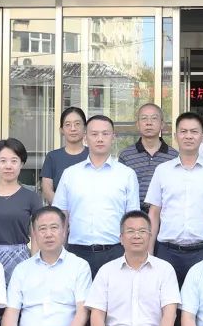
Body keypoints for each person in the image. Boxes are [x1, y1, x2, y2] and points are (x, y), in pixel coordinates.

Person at [52, 115, 140, 278]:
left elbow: (133, 219)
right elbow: (60, 216)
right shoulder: (70, 174)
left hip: (115, 252)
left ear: (113, 137)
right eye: (94, 134)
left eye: (105, 134)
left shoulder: (127, 174)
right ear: (85, 138)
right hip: (76, 252)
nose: (100, 139)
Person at [147, 111, 203, 285]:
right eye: (183, 131)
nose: (189, 136)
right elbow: (154, 213)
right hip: (167, 251)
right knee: (166, 300)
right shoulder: (162, 170)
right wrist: (149, 252)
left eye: (194, 131)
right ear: (175, 136)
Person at [0, 138, 42, 283]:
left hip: (21, 259)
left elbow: (36, 235)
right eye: (3, 161)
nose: (8, 166)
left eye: (14, 161)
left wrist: (34, 264)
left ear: (21, 164)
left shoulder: (32, 198)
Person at [117, 103, 179, 212]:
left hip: (165, 214)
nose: (149, 123)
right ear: (137, 124)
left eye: (154, 118)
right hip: (135, 214)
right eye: (144, 118)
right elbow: (120, 189)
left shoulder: (174, 156)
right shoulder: (126, 155)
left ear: (162, 124)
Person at [40, 107, 89, 204]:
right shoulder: (52, 157)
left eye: (77, 124)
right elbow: (47, 189)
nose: (73, 128)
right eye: (68, 124)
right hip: (59, 211)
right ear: (61, 130)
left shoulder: (93, 155)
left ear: (85, 128)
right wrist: (62, 209)